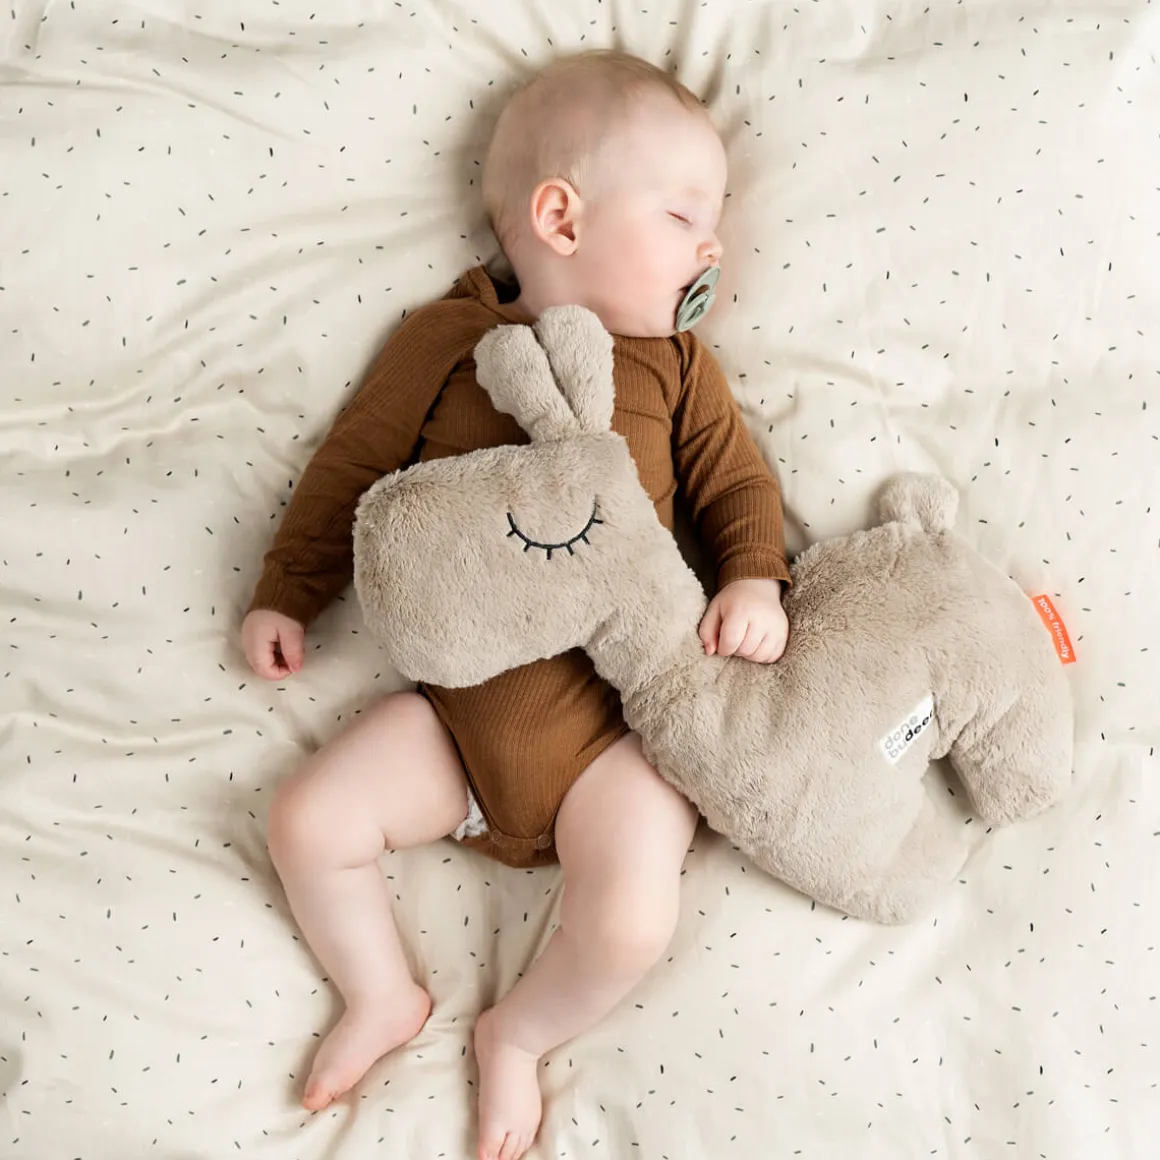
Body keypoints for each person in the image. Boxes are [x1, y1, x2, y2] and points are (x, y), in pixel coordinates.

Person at [242, 48, 792, 1160]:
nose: (711, 248)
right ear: (559, 215)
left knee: (630, 917)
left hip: (614, 734)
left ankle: (518, 1034)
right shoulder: (448, 342)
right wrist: (288, 590)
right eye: (684, 215)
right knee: (305, 820)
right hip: (457, 723)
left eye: (716, 224)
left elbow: (736, 481)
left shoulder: (676, 366)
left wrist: (752, 576)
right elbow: (353, 465)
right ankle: (381, 991)